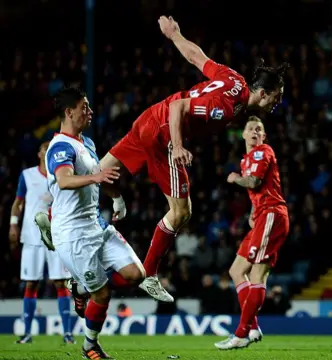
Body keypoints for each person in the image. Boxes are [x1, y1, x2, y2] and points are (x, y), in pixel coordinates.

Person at [96, 16, 289, 301]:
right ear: (262, 93)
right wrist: (176, 146)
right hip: (163, 135)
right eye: (277, 97)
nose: (277, 103)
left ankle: (53, 214)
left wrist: (175, 34)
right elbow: (179, 107)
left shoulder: (234, 79)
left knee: (97, 172)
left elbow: (196, 57)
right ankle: (148, 273)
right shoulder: (225, 107)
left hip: (150, 117)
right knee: (181, 212)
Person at [45, 87, 149, 359]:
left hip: (96, 226)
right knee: (102, 294)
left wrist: (116, 198)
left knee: (136, 274)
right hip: (73, 234)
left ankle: (79, 286)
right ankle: (90, 345)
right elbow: (66, 180)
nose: (90, 112)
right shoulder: (60, 147)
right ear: (69, 112)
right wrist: (97, 179)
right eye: (85, 107)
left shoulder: (86, 143)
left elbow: (97, 175)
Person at [215, 116, 289, 350]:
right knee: (236, 270)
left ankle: (240, 334)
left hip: (272, 215)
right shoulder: (247, 158)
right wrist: (253, 210)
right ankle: (253, 327)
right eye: (251, 129)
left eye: (259, 129)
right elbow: (261, 187)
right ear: (244, 134)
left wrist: (236, 178)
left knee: (257, 274)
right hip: (262, 216)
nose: (255, 132)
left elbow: (255, 182)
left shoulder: (262, 152)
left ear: (264, 136)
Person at [9, 141, 75, 344]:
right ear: (39, 154)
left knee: (60, 283)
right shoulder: (28, 175)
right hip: (31, 237)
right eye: (45, 150)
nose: (48, 154)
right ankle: (27, 333)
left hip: (56, 238)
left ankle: (67, 334)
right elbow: (18, 203)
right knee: (31, 282)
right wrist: (13, 225)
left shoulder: (61, 176)